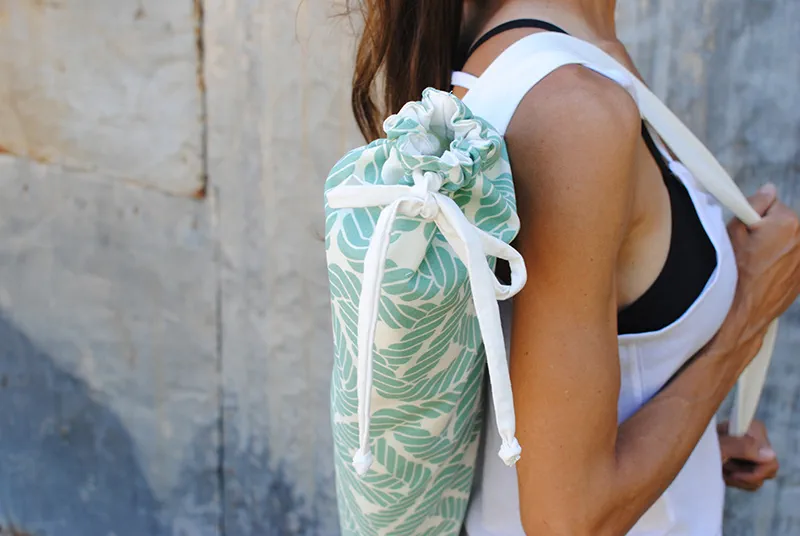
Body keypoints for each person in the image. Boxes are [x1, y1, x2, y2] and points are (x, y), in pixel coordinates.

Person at [349, 0, 800, 534]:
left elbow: (540, 406)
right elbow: (568, 521)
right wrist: (748, 314)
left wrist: (693, 449)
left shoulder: (541, 55)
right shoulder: (569, 109)